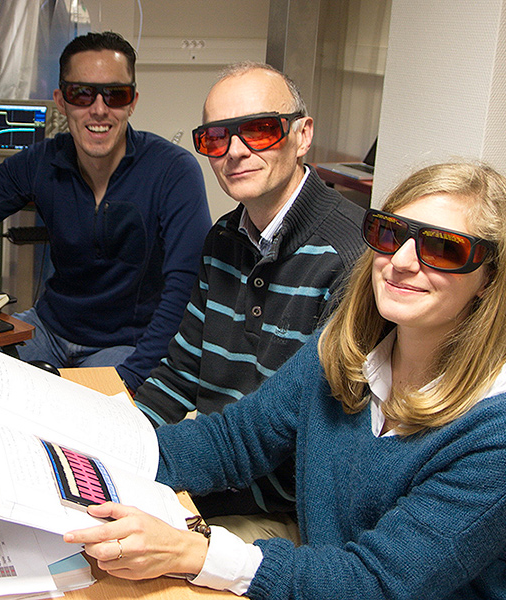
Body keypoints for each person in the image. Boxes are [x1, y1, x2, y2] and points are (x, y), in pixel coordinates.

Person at [65, 162, 506, 599]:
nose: (400, 262)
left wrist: (194, 553)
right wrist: (82, 454)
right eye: (391, 234)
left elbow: (379, 584)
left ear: (490, 281)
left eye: (443, 249)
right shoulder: (342, 347)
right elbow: (233, 441)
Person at [0, 32, 211, 390]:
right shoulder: (41, 162)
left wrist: (130, 380)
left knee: (73, 428)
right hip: (46, 329)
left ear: (132, 101)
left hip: (123, 346)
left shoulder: (172, 171)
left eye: (115, 95)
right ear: (61, 100)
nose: (99, 109)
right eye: (82, 94)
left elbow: (185, 290)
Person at [132, 62, 364, 539]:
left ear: (303, 135)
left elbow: (303, 440)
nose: (235, 151)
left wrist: (151, 467)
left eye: (259, 130)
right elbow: (180, 374)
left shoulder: (352, 258)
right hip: (215, 471)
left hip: (292, 512)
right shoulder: (223, 237)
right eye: (216, 138)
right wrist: (120, 436)